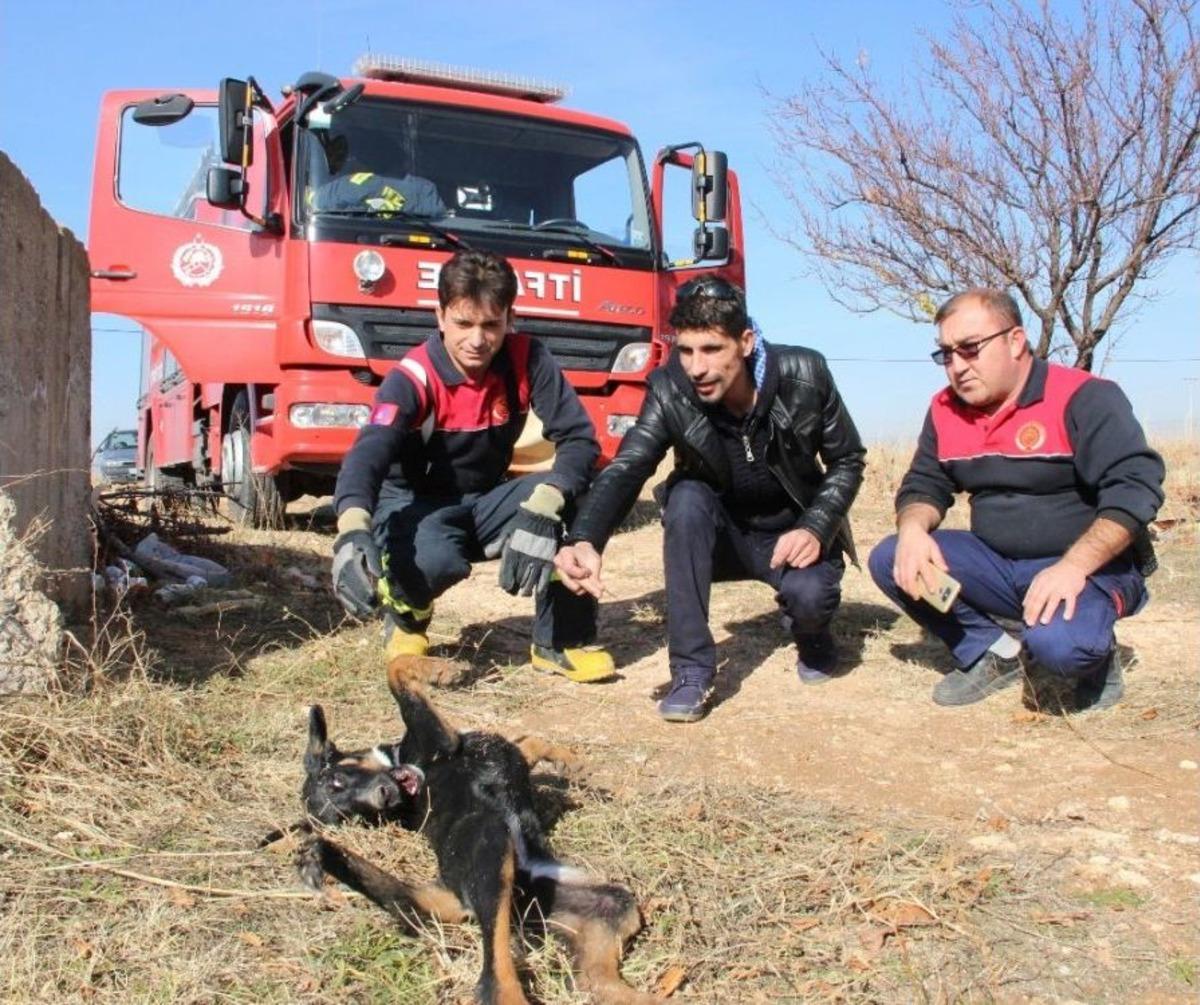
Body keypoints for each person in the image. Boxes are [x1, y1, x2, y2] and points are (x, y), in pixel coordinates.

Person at [554, 275, 866, 722]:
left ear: (745, 341)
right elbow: (628, 466)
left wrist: (816, 526)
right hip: (721, 538)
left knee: (811, 598)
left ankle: (811, 634)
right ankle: (692, 671)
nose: (696, 367)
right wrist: (586, 537)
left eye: (711, 350)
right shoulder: (669, 387)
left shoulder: (805, 374)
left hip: (791, 536)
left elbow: (848, 459)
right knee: (686, 496)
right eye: (685, 350)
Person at [868, 289, 1164, 710]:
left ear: (1015, 340)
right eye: (946, 354)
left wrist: (1073, 566)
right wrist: (913, 528)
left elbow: (1135, 487)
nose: (957, 366)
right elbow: (924, 482)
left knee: (1060, 647)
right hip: (998, 563)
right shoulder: (945, 409)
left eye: (970, 349)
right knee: (893, 557)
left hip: (1088, 567)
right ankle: (993, 650)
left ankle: (1097, 657)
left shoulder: (1084, 396)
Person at [331, 250, 615, 683]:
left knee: (575, 495)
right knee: (436, 560)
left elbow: (580, 440)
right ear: (440, 316)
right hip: (413, 506)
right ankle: (407, 615)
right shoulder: (412, 378)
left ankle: (559, 641)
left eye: (491, 325)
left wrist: (545, 504)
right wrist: (352, 528)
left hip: (483, 500)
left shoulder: (527, 359)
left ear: (509, 318)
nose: (478, 340)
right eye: (464, 324)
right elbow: (368, 453)